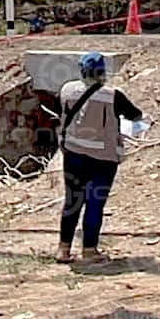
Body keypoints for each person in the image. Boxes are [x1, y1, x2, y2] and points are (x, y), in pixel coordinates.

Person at [56, 51, 145, 263]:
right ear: (102, 72)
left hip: (74, 153)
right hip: (103, 158)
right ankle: (89, 250)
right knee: (94, 203)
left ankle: (63, 249)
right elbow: (136, 116)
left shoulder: (67, 90)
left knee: (72, 201)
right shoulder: (112, 95)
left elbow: (61, 113)